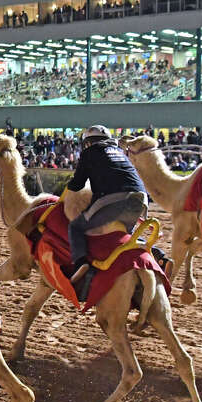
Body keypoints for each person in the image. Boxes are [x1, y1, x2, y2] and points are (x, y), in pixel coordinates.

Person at [61, 125, 148, 296]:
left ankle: (81, 263)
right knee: (127, 236)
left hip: (114, 199)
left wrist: (67, 187)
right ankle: (158, 255)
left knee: (76, 227)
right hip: (141, 200)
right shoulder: (119, 152)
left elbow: (78, 184)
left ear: (87, 143)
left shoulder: (89, 153)